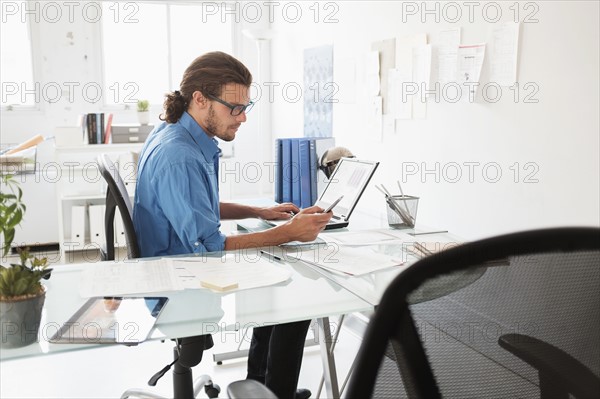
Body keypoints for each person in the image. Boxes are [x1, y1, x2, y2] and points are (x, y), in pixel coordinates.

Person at [133, 51, 332, 399]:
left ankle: (259, 387)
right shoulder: (178, 155)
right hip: (179, 286)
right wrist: (288, 232)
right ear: (199, 99)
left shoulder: (178, 133)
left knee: (277, 276)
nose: (242, 118)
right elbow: (208, 246)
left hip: (177, 265)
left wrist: (259, 211)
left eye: (246, 107)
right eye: (234, 108)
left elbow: (197, 208)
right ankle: (272, 392)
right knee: (298, 299)